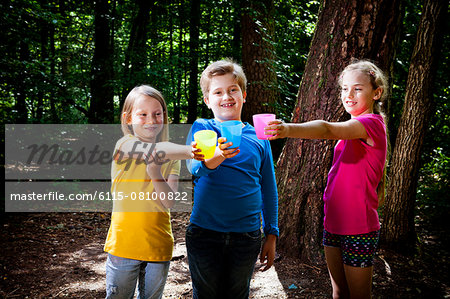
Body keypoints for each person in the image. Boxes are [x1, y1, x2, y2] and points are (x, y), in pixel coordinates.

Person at [265, 60, 388, 299]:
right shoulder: (352, 131)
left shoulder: (371, 124)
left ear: (377, 93)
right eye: (344, 88)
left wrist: (287, 129)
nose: (349, 94)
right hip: (333, 223)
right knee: (339, 292)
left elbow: (327, 129)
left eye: (358, 89)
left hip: (359, 228)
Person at [186, 59, 279, 299]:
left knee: (237, 294)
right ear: (208, 100)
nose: (226, 96)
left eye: (233, 89)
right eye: (217, 92)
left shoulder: (260, 136)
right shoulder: (203, 127)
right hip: (204, 233)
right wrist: (215, 157)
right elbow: (194, 168)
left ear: (244, 95)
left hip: (246, 236)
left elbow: (268, 188)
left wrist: (271, 233)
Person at [104, 85, 201, 299]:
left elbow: (168, 201)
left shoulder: (172, 157)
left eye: (157, 114)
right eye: (143, 115)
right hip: (123, 244)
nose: (151, 120)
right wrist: (191, 151)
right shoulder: (124, 145)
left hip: (158, 246)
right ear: (128, 118)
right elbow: (153, 152)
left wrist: (155, 172)